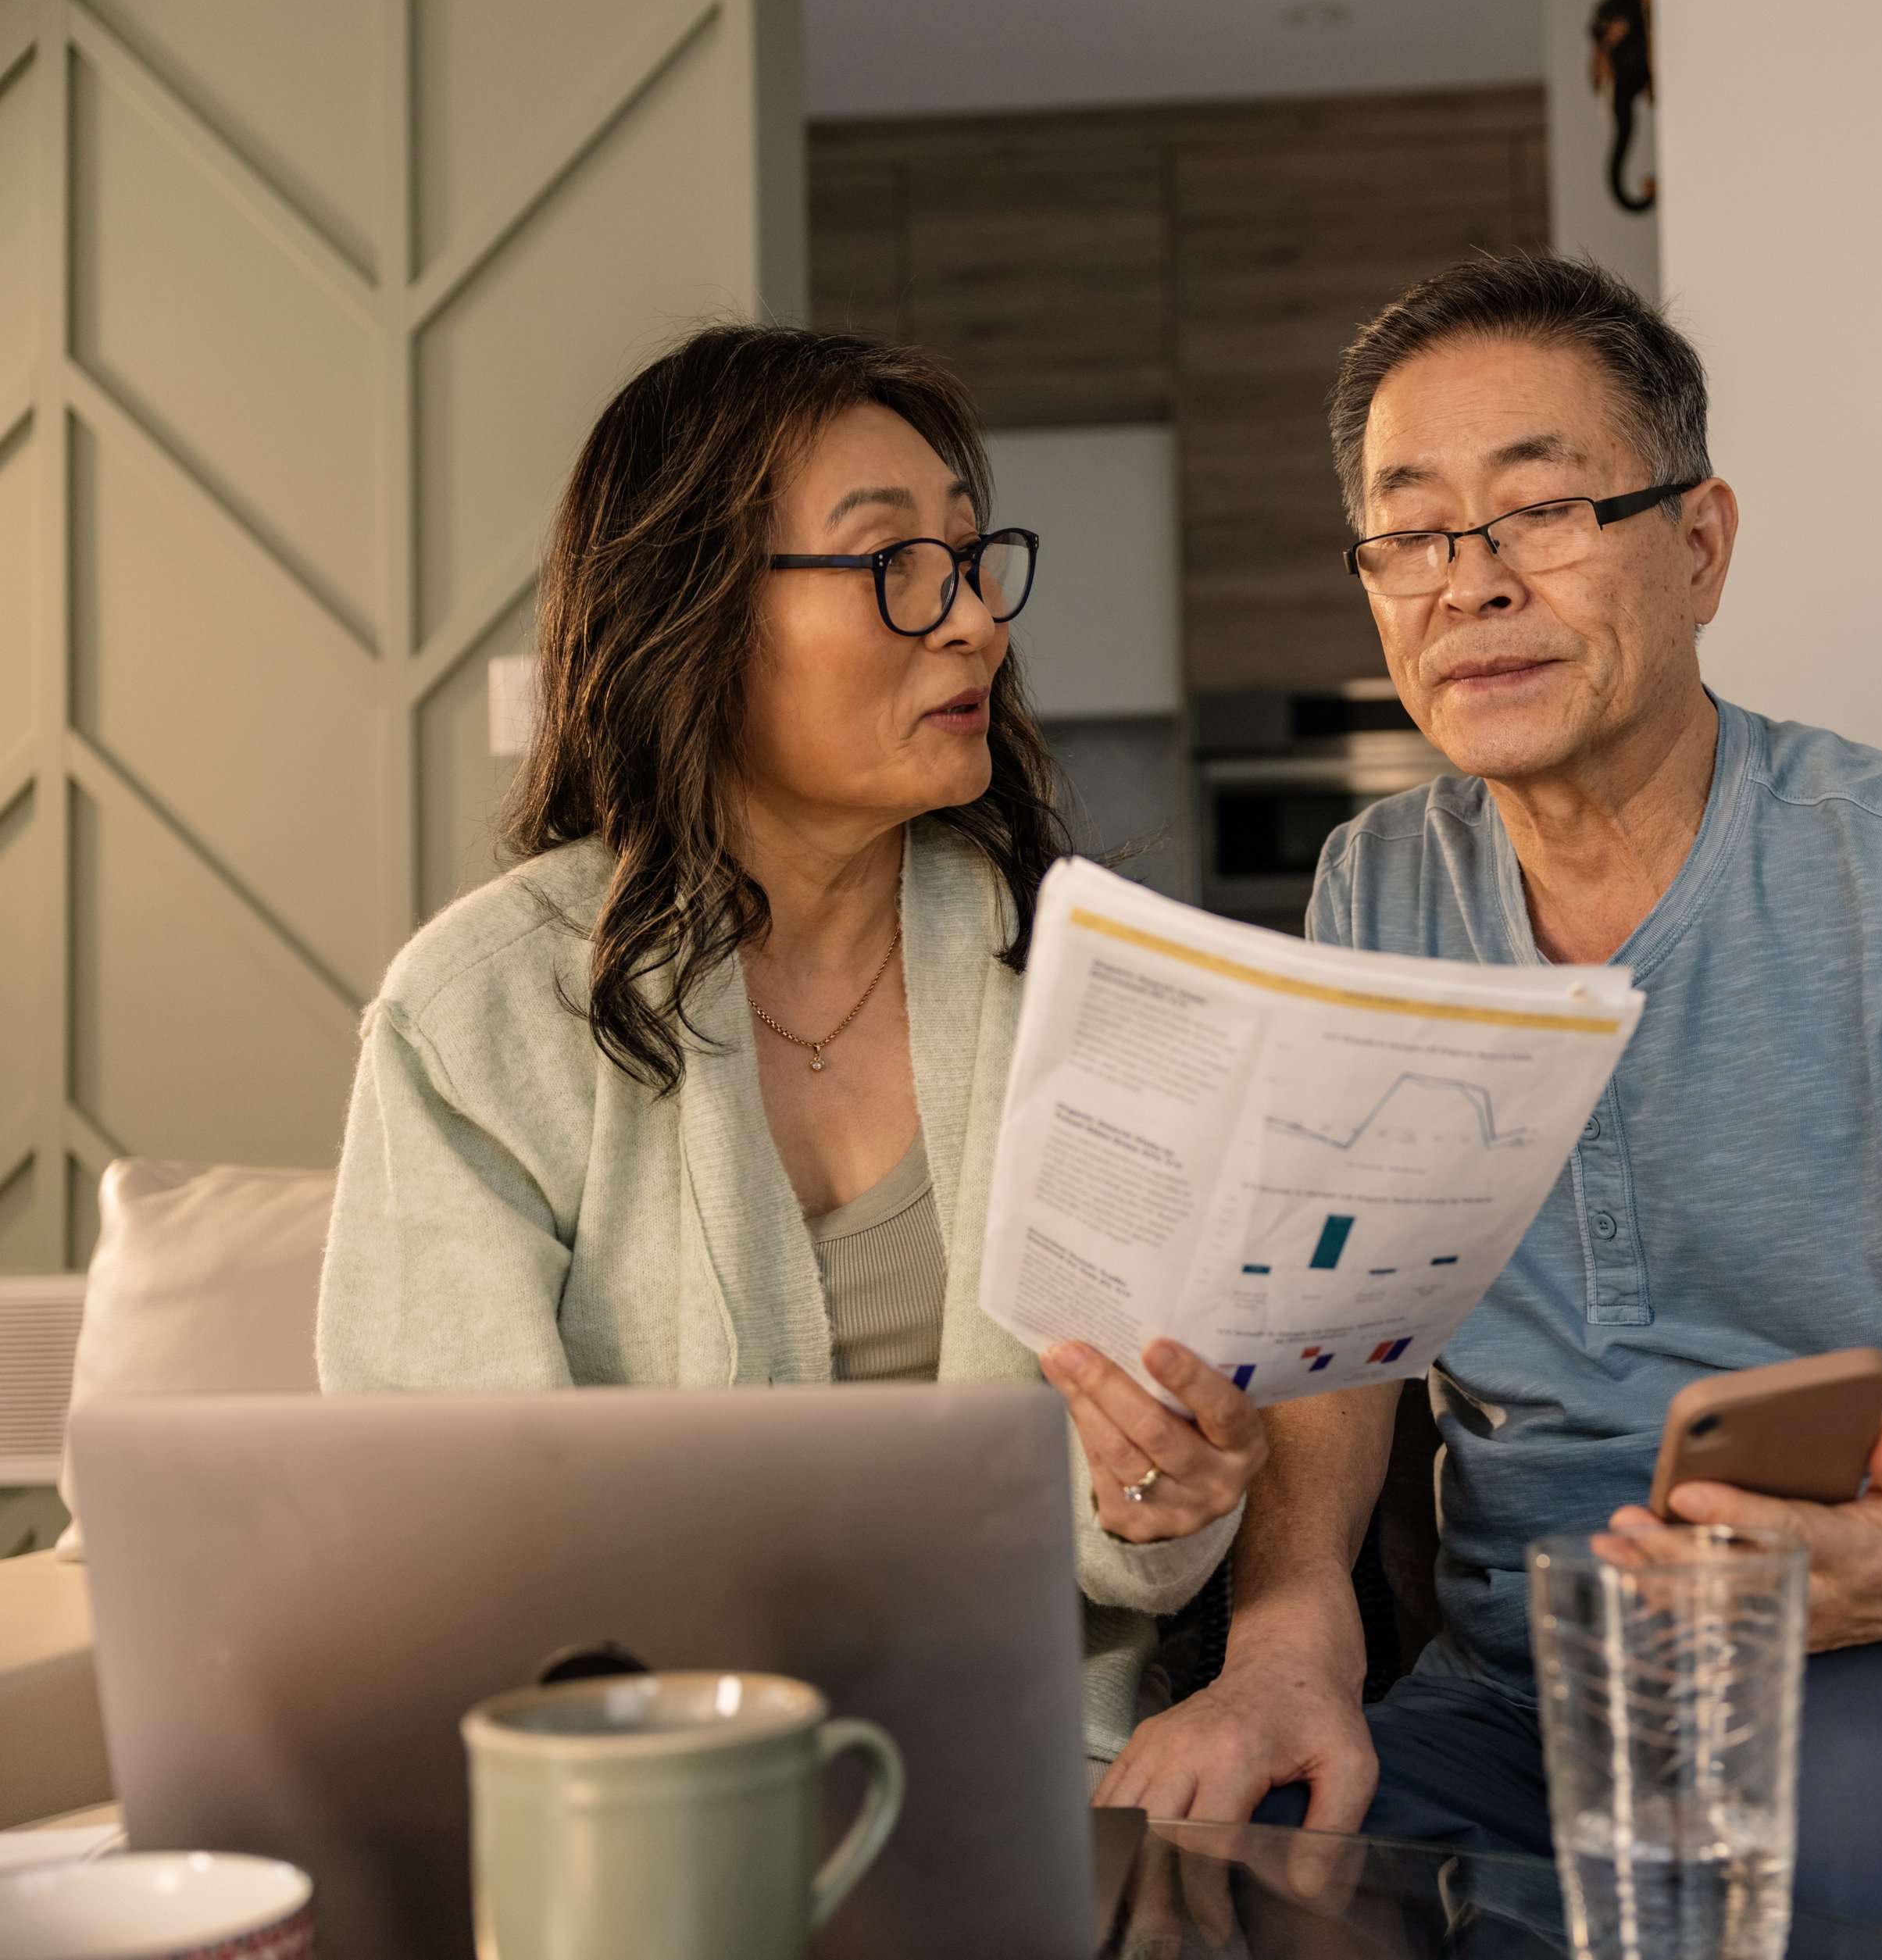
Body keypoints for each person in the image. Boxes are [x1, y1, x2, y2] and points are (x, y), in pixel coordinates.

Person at [1096, 258, 1882, 1956]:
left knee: (1836, 1841)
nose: (1471, 585)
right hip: (1529, 1691)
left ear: (1700, 546)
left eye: (1539, 510)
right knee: (1197, 1876)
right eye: (1412, 535)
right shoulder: (1378, 884)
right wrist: (1288, 1649)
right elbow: (1349, 1348)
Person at [315, 326, 1262, 1762]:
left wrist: (1166, 1494)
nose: (972, 623)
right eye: (895, 565)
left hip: (1031, 1777)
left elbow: (1125, 1540)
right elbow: (453, 1542)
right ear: (692, 607)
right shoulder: (478, 1012)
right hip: (630, 1787)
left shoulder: (1088, 981)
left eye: (969, 554)